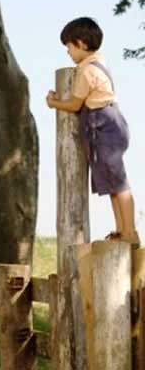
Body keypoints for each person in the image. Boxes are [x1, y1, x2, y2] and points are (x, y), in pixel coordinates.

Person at [46, 17, 139, 248]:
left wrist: (53, 103)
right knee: (112, 183)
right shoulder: (98, 63)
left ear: (81, 43)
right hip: (110, 123)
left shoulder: (86, 71)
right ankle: (121, 229)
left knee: (119, 183)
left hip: (103, 127)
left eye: (69, 46)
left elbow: (76, 105)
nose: (68, 52)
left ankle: (130, 232)